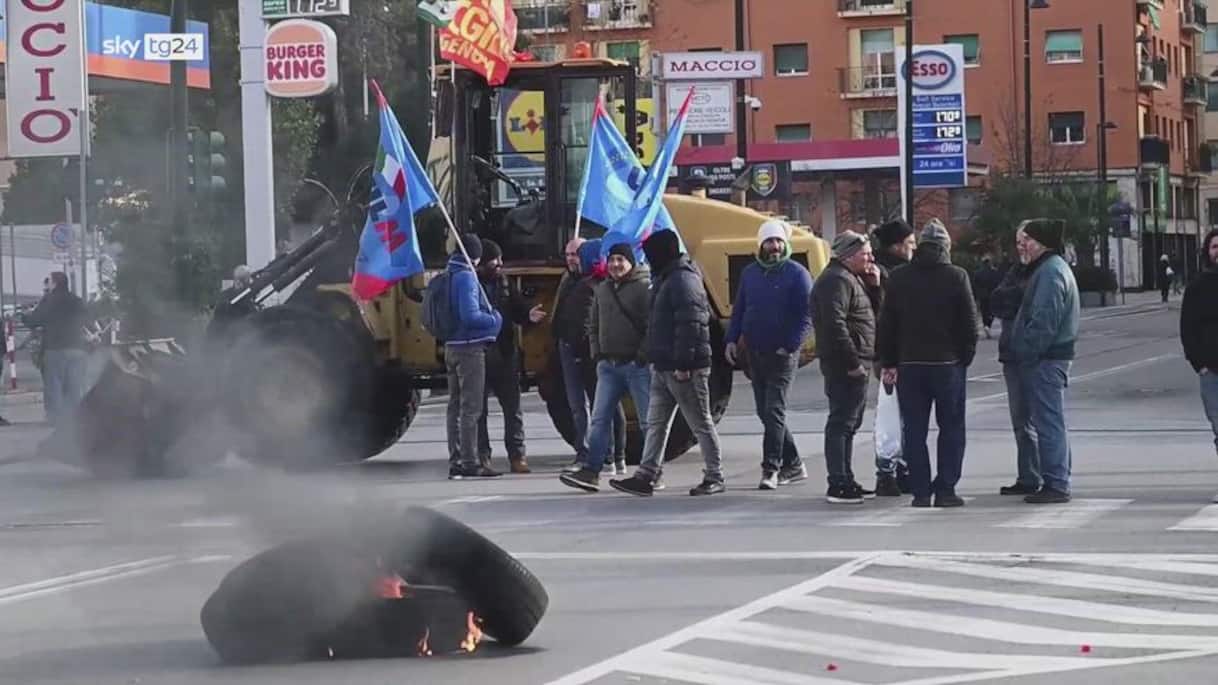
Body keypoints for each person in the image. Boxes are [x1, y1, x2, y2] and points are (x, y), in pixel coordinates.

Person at [610, 230, 724, 497]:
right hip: (663, 366)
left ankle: (715, 475)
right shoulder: (666, 278)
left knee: (700, 422)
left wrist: (683, 364)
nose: (647, 260)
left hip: (685, 368)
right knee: (655, 423)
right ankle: (647, 475)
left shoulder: (683, 280)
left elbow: (692, 326)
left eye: (650, 255)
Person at [879, 220, 979, 508]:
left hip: (910, 364)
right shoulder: (957, 276)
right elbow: (969, 324)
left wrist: (889, 360)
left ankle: (921, 491)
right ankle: (946, 489)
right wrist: (964, 357)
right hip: (948, 364)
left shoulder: (899, 277)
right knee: (951, 427)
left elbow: (888, 324)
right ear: (946, 247)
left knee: (914, 429)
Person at [724, 219, 813, 490]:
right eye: (769, 241)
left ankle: (771, 468)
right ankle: (795, 463)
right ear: (761, 245)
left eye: (778, 241)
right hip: (755, 352)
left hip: (783, 355)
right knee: (766, 412)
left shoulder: (797, 273)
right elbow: (740, 309)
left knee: (773, 409)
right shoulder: (750, 273)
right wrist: (731, 339)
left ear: (785, 244)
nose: (774, 246)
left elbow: (806, 315)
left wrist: (790, 345)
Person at [560, 242, 652, 492]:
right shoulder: (602, 289)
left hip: (636, 366)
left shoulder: (643, 290)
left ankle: (651, 471)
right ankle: (592, 471)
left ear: (631, 262)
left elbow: (650, 327)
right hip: (608, 366)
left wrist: (642, 355)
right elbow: (593, 325)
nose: (615, 265)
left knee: (647, 421)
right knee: (600, 419)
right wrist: (597, 353)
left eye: (621, 260)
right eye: (612, 260)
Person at [1008, 219, 1080, 504]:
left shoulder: (1050, 272)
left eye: (1029, 239)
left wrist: (1026, 352)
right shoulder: (1051, 268)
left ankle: (1056, 483)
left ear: (1043, 243)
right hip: (1048, 359)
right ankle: (1057, 479)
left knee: (1048, 422)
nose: (1023, 245)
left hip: (1046, 361)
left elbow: (1044, 322)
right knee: (1050, 421)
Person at [811, 230, 882, 504]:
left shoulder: (850, 278)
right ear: (849, 255)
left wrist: (874, 287)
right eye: (865, 253)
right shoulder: (836, 280)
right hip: (845, 364)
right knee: (842, 422)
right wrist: (852, 362)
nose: (871, 258)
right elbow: (835, 324)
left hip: (856, 360)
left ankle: (846, 477)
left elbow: (867, 315)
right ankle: (838, 482)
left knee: (850, 422)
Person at [551, 237, 626, 473]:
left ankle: (609, 456)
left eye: (577, 255)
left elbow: (587, 322)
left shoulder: (595, 285)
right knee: (582, 405)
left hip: (589, 352)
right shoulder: (570, 281)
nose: (572, 259)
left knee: (602, 406)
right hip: (572, 348)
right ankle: (590, 453)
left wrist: (582, 348)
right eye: (569, 254)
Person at [476, 238, 546, 474]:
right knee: (478, 410)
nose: (500, 264)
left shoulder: (504, 283)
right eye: (496, 260)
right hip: (480, 354)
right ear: (483, 262)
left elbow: (518, 308)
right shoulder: (470, 285)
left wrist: (528, 314)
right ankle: (482, 456)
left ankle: (517, 455)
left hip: (506, 353)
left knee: (513, 408)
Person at [443, 235, 503, 480]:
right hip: (469, 347)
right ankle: (470, 461)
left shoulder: (446, 274)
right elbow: (470, 316)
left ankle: (456, 459)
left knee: (454, 406)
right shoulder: (467, 277)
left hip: (450, 346)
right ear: (474, 255)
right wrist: (495, 320)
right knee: (472, 407)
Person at [993, 232, 1041, 496]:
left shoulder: (1044, 271)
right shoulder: (1014, 271)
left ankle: (1049, 475)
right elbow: (998, 300)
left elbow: (1031, 305)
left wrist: (1016, 297)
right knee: (1020, 419)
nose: (1021, 245)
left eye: (1026, 240)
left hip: (1034, 355)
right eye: (1018, 241)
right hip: (1012, 354)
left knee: (1040, 419)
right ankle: (1028, 475)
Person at [871, 218, 916, 496]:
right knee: (892, 415)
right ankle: (888, 472)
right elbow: (886, 319)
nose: (914, 248)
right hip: (892, 353)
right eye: (911, 243)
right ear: (898, 246)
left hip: (892, 352)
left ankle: (899, 469)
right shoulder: (890, 274)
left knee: (899, 414)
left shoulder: (887, 271)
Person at [21, 272, 88, 426]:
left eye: (49, 281)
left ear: (55, 283)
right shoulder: (76, 300)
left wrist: (24, 316)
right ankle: (75, 418)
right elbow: (88, 318)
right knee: (74, 385)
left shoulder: (49, 300)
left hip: (55, 348)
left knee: (54, 385)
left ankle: (56, 419)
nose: (48, 284)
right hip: (77, 348)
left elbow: (34, 320)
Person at [1180, 228, 1218, 492]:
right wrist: (1200, 364)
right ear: (1208, 251)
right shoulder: (1197, 286)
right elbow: (1187, 329)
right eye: (1215, 246)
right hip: (1211, 371)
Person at [972, 256, 1001, 339]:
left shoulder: (978, 273)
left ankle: (985, 325)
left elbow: (974, 285)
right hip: (992, 295)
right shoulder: (994, 272)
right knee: (992, 312)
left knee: (984, 311)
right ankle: (988, 325)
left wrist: (975, 296)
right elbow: (997, 283)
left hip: (982, 296)